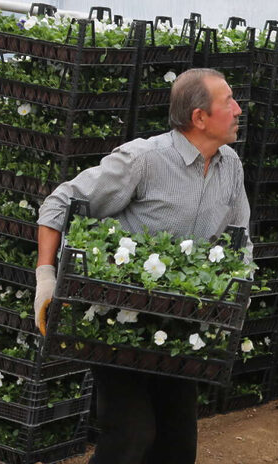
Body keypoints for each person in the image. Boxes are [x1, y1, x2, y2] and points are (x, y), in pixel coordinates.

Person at [33, 68, 248, 464]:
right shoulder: (144, 160)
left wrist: (236, 289)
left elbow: (239, 239)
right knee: (131, 435)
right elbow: (58, 204)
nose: (238, 109)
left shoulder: (230, 166)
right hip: (118, 320)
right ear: (199, 117)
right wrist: (45, 277)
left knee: (178, 446)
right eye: (228, 102)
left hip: (180, 324)